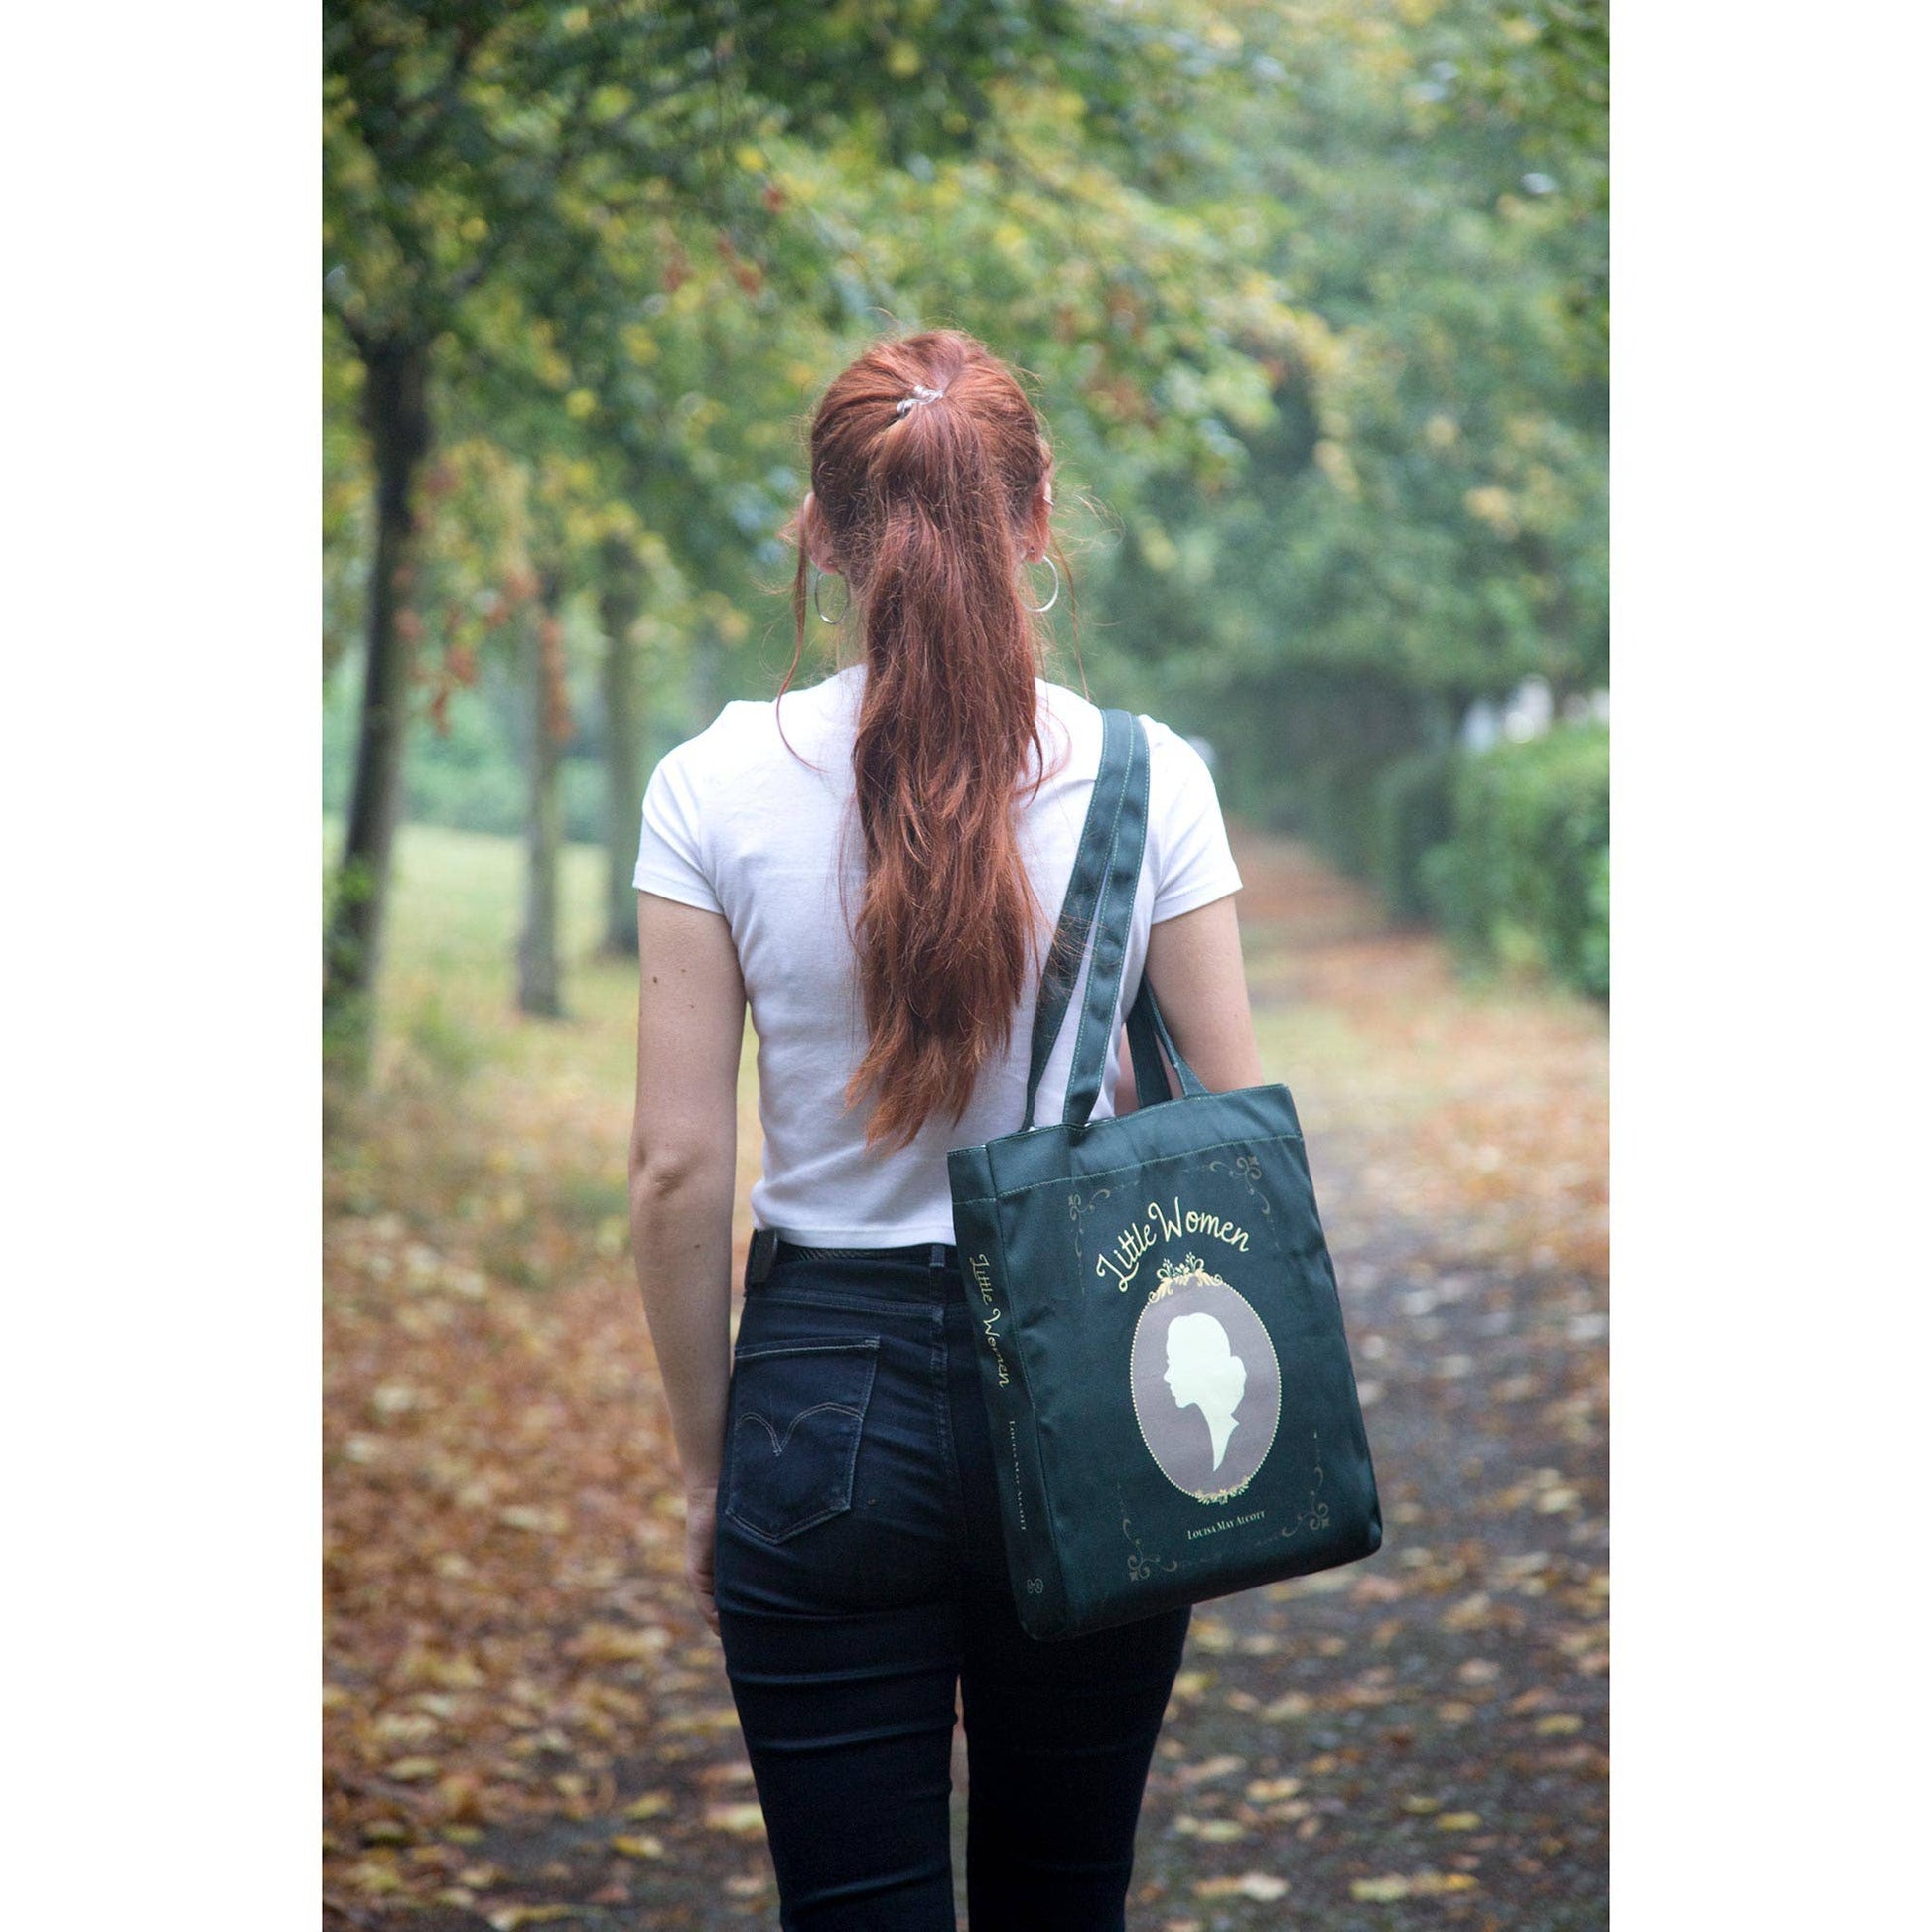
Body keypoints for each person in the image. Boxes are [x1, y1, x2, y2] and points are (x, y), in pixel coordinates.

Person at [627, 329, 1265, 1931]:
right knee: (1064, 1893)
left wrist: (708, 1463)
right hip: (1096, 1380)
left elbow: (677, 1169)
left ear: (819, 533)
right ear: (1038, 518)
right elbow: (1230, 1129)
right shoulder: (1149, 779)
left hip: (817, 1406)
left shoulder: (708, 784)